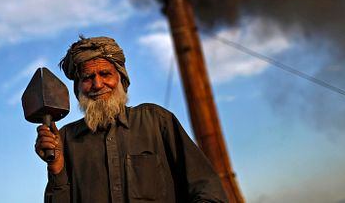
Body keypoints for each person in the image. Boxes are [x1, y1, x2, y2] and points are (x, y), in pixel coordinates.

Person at [35, 36, 228, 203]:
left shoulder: (157, 121)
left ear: (121, 79)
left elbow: (208, 190)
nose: (97, 84)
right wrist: (56, 169)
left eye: (105, 74)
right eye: (87, 77)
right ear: (78, 87)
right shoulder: (65, 140)